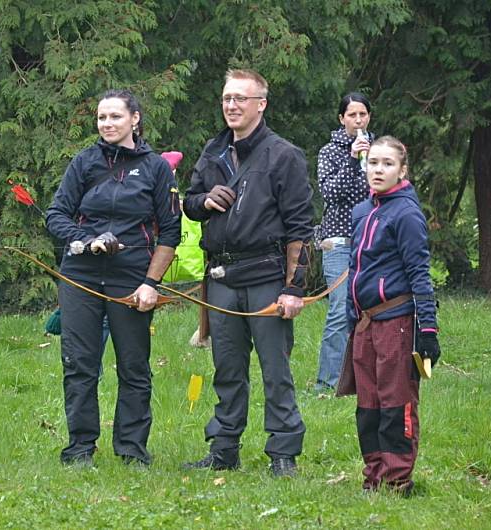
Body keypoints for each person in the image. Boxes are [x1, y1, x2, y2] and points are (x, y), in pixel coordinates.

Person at [182, 69, 314, 477]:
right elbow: (188, 203)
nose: (232, 105)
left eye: (241, 98)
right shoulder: (212, 151)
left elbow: (301, 229)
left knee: (276, 370)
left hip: (267, 278)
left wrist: (294, 289)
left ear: (261, 104)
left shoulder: (284, 155)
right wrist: (204, 201)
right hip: (221, 278)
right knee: (227, 369)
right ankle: (224, 450)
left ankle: (283, 454)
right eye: (227, 98)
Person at [45, 89, 181, 467]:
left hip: (132, 278)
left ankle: (132, 449)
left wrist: (150, 284)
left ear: (134, 119)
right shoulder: (84, 162)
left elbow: (170, 233)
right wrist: (85, 241)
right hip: (81, 276)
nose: (107, 124)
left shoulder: (156, 168)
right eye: (102, 118)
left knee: (133, 365)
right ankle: (79, 448)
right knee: (79, 363)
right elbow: (56, 215)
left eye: (115, 117)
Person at [342, 135, 440, 495]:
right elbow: (356, 269)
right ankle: (374, 475)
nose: (378, 170)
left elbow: (419, 273)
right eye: (373, 163)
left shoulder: (406, 213)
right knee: (368, 404)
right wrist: (353, 317)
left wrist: (427, 329)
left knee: (395, 402)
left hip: (397, 323)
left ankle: (398, 479)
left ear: (402, 170)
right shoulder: (362, 211)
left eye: (387, 164)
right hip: (365, 324)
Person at [314, 92, 373, 392]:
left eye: (362, 114)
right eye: (352, 115)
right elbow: (330, 194)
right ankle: (327, 383)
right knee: (340, 309)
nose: (358, 120)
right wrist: (352, 160)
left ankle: (363, 379)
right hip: (338, 242)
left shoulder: (378, 151)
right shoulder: (330, 152)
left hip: (372, 242)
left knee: (370, 310)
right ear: (341, 119)